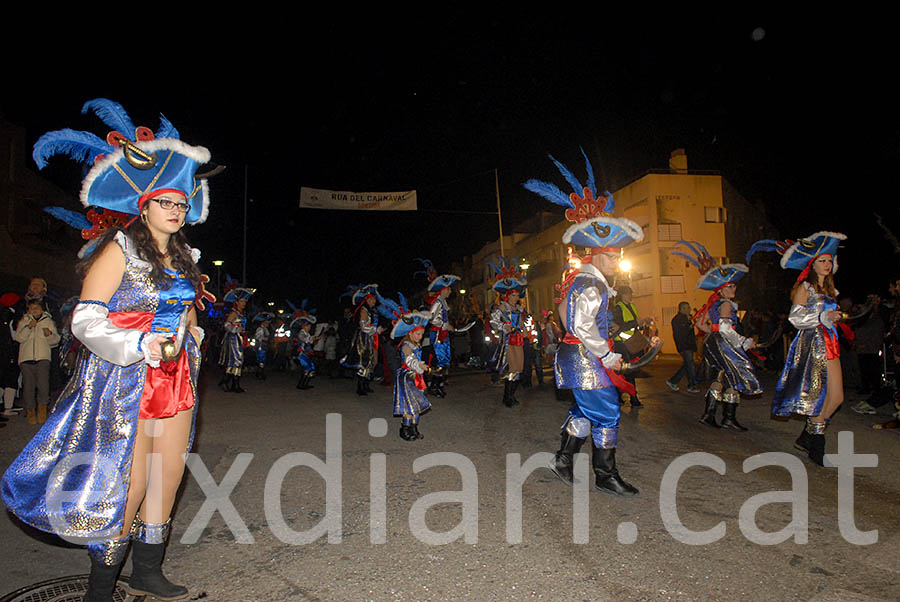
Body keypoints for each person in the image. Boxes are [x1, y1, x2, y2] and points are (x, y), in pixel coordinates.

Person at [1, 98, 212, 601]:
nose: (176, 211)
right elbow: (86, 318)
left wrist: (192, 334)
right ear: (144, 205)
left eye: (182, 204)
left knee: (169, 473)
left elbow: (187, 311)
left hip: (176, 376)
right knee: (130, 482)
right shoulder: (117, 249)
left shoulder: (186, 258)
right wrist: (140, 342)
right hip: (128, 377)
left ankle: (148, 570)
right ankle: (101, 586)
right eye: (167, 202)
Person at [524, 150, 643, 497]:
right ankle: (605, 476)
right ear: (594, 254)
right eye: (610, 255)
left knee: (584, 411)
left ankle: (563, 460)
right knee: (607, 415)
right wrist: (607, 356)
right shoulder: (590, 284)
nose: (615, 260)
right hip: (587, 361)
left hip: (577, 357)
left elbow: (564, 315)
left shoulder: (581, 281)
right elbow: (582, 325)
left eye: (617, 255)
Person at [748, 232, 848, 465]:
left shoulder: (831, 291)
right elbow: (796, 317)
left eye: (829, 260)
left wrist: (836, 317)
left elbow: (827, 316)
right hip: (813, 344)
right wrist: (823, 315)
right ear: (812, 264)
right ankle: (816, 446)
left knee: (837, 397)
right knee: (820, 395)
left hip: (831, 343)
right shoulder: (805, 287)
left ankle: (808, 435)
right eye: (822, 260)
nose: (827, 264)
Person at [673, 240, 760, 431]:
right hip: (724, 342)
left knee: (721, 377)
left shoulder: (714, 304)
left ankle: (710, 415)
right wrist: (745, 342)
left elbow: (701, 324)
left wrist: (713, 333)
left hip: (715, 341)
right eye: (730, 287)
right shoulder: (727, 304)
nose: (733, 290)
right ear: (721, 289)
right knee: (733, 376)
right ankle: (726, 417)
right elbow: (726, 329)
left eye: (734, 287)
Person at [377, 292, 433, 440]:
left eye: (422, 334)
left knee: (416, 406)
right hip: (407, 377)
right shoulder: (407, 345)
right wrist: (419, 365)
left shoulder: (415, 344)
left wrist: (421, 367)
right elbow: (409, 360)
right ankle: (405, 430)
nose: (420, 337)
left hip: (416, 377)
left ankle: (414, 429)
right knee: (409, 405)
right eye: (418, 334)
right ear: (410, 334)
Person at [415, 259, 460, 398]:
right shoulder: (437, 302)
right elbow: (433, 318)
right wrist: (447, 326)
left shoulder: (443, 302)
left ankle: (436, 386)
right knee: (439, 362)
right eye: (448, 288)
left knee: (443, 361)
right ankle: (434, 387)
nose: (450, 290)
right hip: (438, 335)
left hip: (443, 334)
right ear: (443, 290)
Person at [488, 258, 529, 407]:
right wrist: (503, 327)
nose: (517, 298)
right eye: (514, 295)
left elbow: (524, 323)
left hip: (518, 340)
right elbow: (493, 322)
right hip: (508, 341)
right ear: (508, 296)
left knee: (518, 370)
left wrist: (525, 330)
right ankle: (507, 397)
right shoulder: (502, 308)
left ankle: (512, 395)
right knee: (511, 370)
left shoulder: (519, 309)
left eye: (517, 295)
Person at [14, 299, 60, 424]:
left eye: (37, 308)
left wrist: (49, 334)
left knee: (43, 385)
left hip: (43, 358)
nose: (34, 311)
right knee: (28, 386)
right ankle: (30, 411)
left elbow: (55, 340)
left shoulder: (48, 322)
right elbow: (18, 338)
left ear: (42, 309)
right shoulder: (24, 321)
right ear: (28, 310)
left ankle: (42, 409)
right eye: (31, 308)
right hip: (26, 359)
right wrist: (28, 328)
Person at [612, 285, 648, 407]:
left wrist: (642, 324)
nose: (630, 295)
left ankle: (618, 396)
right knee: (628, 371)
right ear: (622, 295)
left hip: (631, 343)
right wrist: (635, 323)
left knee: (624, 371)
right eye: (628, 293)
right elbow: (618, 327)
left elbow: (634, 324)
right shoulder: (618, 308)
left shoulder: (632, 306)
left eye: (630, 293)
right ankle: (633, 398)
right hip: (621, 343)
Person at [342, 283, 381, 395]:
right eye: (372, 299)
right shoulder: (364, 310)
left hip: (372, 337)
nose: (374, 301)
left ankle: (366, 384)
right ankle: (360, 387)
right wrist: (376, 330)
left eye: (374, 299)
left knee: (373, 361)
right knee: (364, 361)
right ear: (367, 300)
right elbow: (363, 326)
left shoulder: (374, 311)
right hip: (364, 338)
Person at [220, 286, 255, 392]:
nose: (244, 303)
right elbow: (226, 325)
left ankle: (230, 383)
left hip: (240, 338)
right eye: (242, 301)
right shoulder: (234, 313)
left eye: (245, 302)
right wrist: (236, 330)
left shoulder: (241, 313)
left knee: (237, 361)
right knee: (237, 360)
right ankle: (232, 384)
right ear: (237, 302)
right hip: (234, 338)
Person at [666, 301, 701, 393]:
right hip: (684, 346)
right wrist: (689, 324)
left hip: (689, 345)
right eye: (686, 308)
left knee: (687, 365)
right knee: (690, 366)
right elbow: (681, 333)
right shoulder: (677, 319)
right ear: (681, 309)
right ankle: (692, 385)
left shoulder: (687, 319)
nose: (688, 310)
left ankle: (673, 381)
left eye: (689, 308)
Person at [1, 293, 22, 423]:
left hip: (4, 351)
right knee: (10, 378)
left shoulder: (4, 313)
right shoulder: (10, 315)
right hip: (8, 351)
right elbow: (14, 335)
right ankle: (7, 407)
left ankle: (5, 406)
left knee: (3, 378)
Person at [292, 303, 318, 390]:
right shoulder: (301, 333)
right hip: (302, 354)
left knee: (311, 369)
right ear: (305, 326)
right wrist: (312, 339)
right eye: (309, 326)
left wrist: (314, 338)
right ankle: (301, 385)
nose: (310, 327)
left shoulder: (307, 333)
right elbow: (306, 340)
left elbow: (309, 340)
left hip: (307, 353)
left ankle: (304, 384)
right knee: (307, 369)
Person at [252, 312, 273, 380]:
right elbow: (258, 337)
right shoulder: (260, 329)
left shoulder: (265, 329)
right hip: (261, 346)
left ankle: (260, 373)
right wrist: (263, 339)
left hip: (264, 345)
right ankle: (260, 373)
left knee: (263, 359)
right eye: (266, 322)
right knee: (261, 359)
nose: (268, 324)